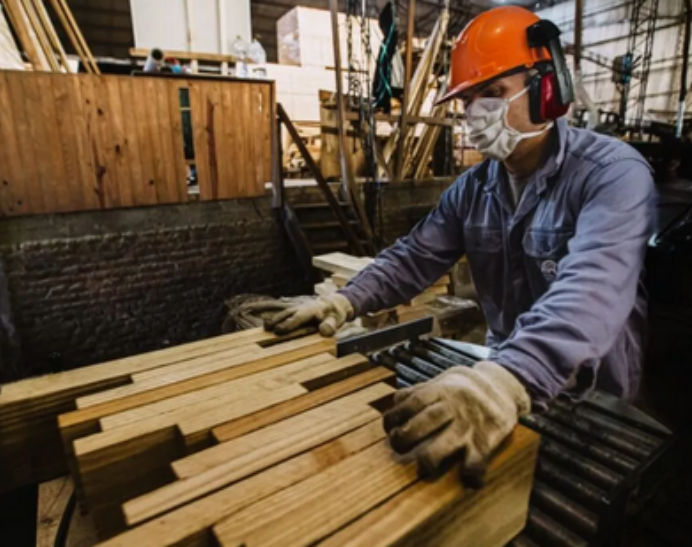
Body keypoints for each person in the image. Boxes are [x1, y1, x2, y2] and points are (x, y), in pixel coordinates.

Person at [266, 6, 656, 483]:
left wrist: (511, 377)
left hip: (591, 393)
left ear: (548, 90)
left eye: (492, 93)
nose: (476, 113)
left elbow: (596, 287)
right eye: (468, 100)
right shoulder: (472, 189)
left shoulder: (613, 174)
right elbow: (414, 257)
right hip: (498, 380)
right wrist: (345, 300)